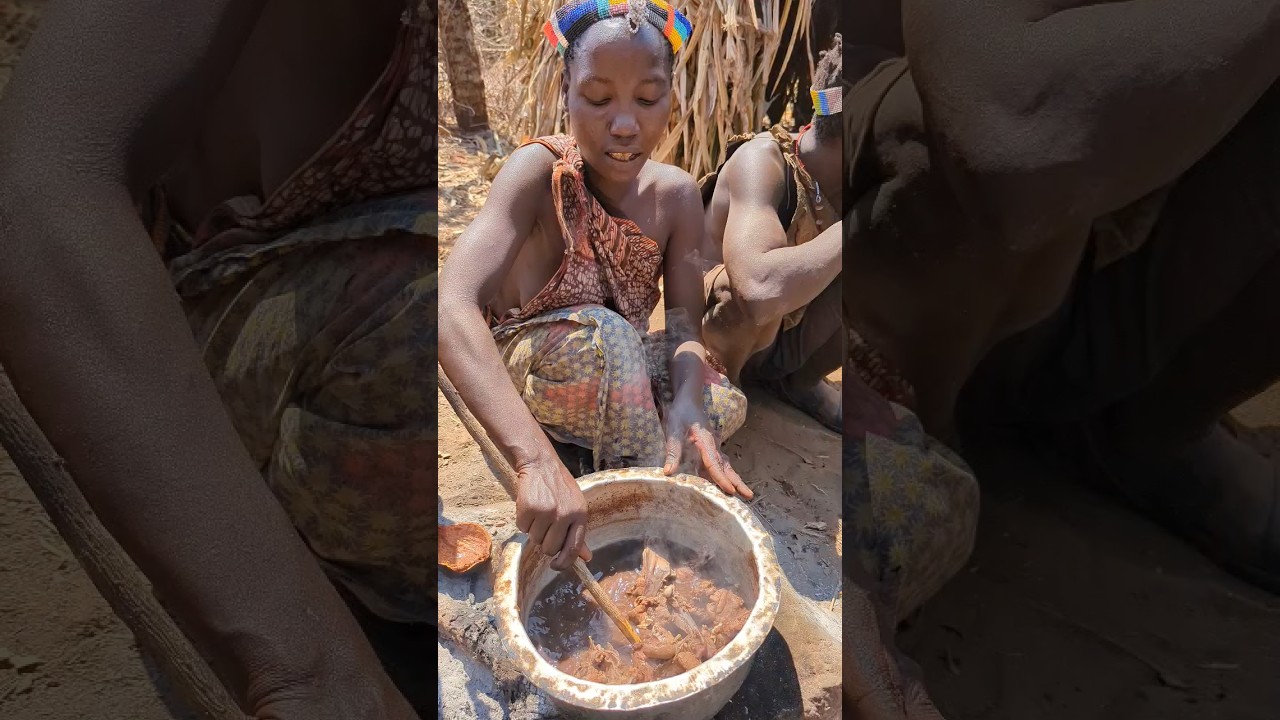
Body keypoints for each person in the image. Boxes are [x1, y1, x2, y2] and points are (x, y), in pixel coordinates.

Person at [0, 1, 438, 717]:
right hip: (220, 308)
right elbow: (39, 200)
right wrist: (317, 678)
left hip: (398, 270)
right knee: (425, 347)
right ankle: (336, 605)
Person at [842, 1, 1280, 715]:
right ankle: (878, 462)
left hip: (1081, 296)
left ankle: (1150, 424)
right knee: (955, 120)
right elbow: (1003, 124)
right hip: (892, 257)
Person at [439, 0, 751, 574]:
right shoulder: (536, 173)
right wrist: (531, 461)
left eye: (648, 99)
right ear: (566, 92)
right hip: (540, 362)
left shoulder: (678, 195)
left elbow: (683, 328)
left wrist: (686, 400)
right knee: (609, 339)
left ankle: (617, 452)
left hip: (619, 365)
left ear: (671, 101)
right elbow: (449, 305)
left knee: (721, 400)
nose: (626, 123)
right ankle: (637, 514)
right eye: (600, 99)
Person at [700, 37, 844, 432]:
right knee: (738, 288)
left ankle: (797, 383)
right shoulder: (763, 162)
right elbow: (757, 291)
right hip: (718, 337)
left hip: (780, 343)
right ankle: (715, 393)